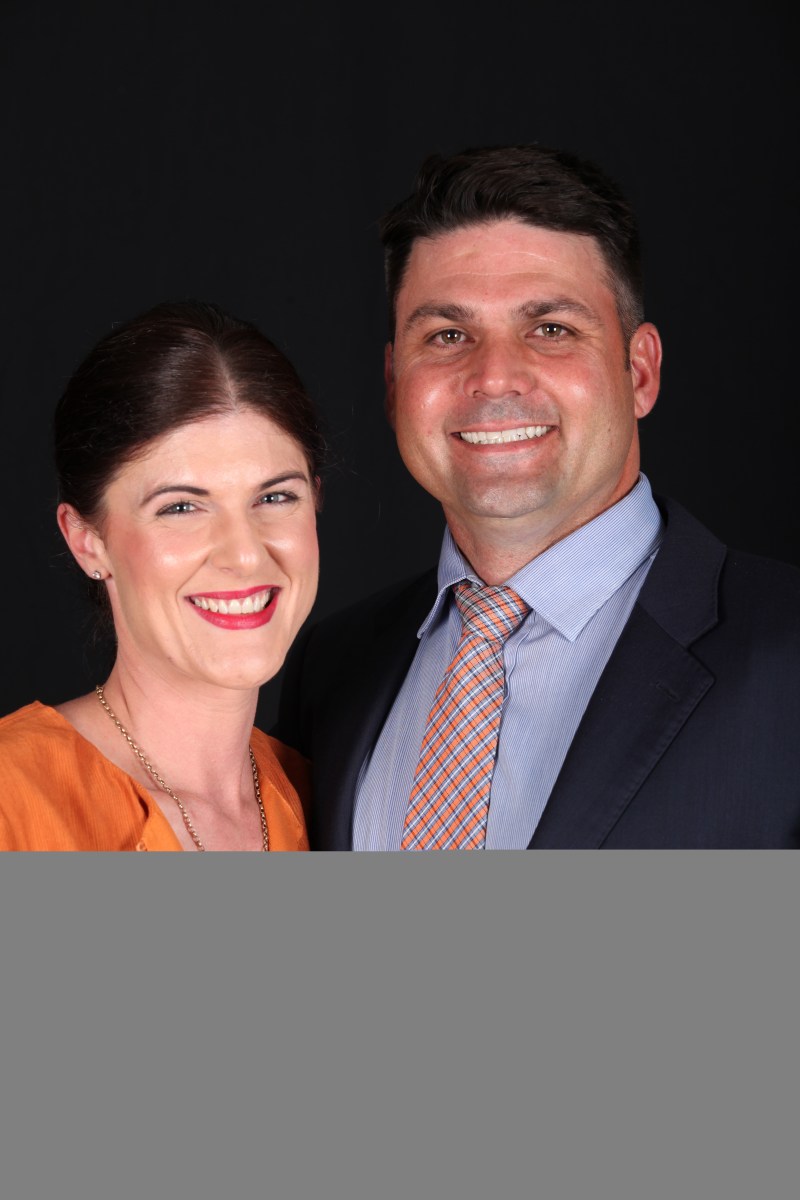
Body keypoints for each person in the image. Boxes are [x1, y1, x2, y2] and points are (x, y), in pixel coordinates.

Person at [275, 142, 800, 849]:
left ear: (640, 373)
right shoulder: (331, 669)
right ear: (395, 384)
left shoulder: (787, 654)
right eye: (448, 334)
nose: (495, 377)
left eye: (551, 330)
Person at [0, 299, 324, 851]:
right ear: (87, 540)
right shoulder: (14, 798)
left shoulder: (334, 801)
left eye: (274, 497)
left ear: (315, 501)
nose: (245, 555)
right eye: (180, 507)